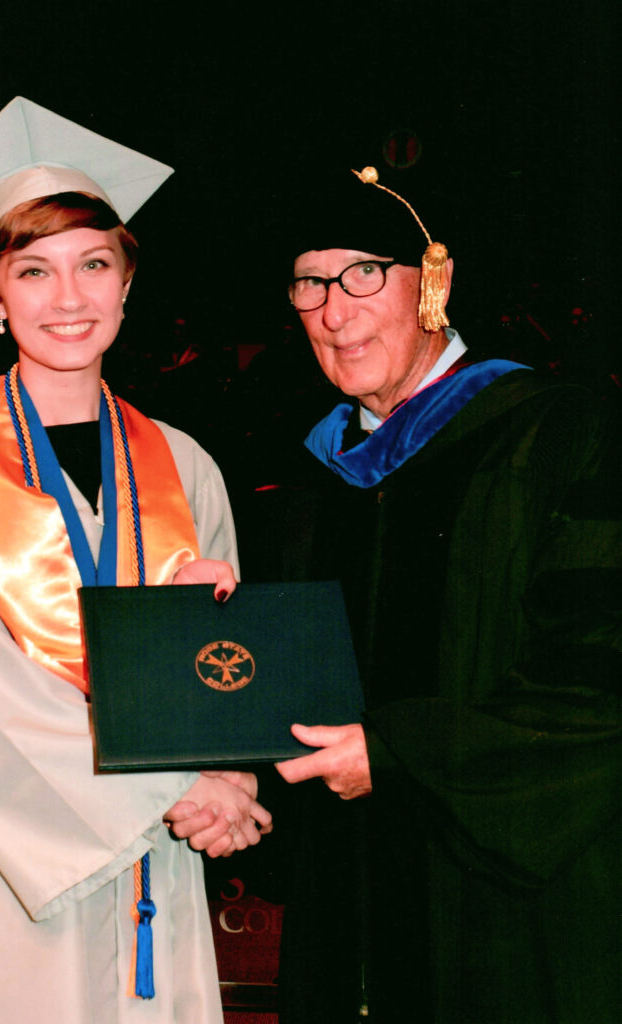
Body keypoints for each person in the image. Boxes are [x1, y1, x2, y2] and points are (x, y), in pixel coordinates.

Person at [0, 96, 270, 1024]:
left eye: (94, 264)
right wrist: (180, 786)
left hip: (155, 846)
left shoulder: (184, 461)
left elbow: (224, 665)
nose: (68, 298)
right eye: (33, 270)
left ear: (127, 280)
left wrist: (232, 764)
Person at [256, 166, 621, 1023]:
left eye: (362, 275)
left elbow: (601, 678)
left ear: (432, 284)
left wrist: (402, 755)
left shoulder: (565, 434)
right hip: (349, 908)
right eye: (310, 284)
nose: (333, 312)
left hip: (510, 907)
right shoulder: (314, 485)